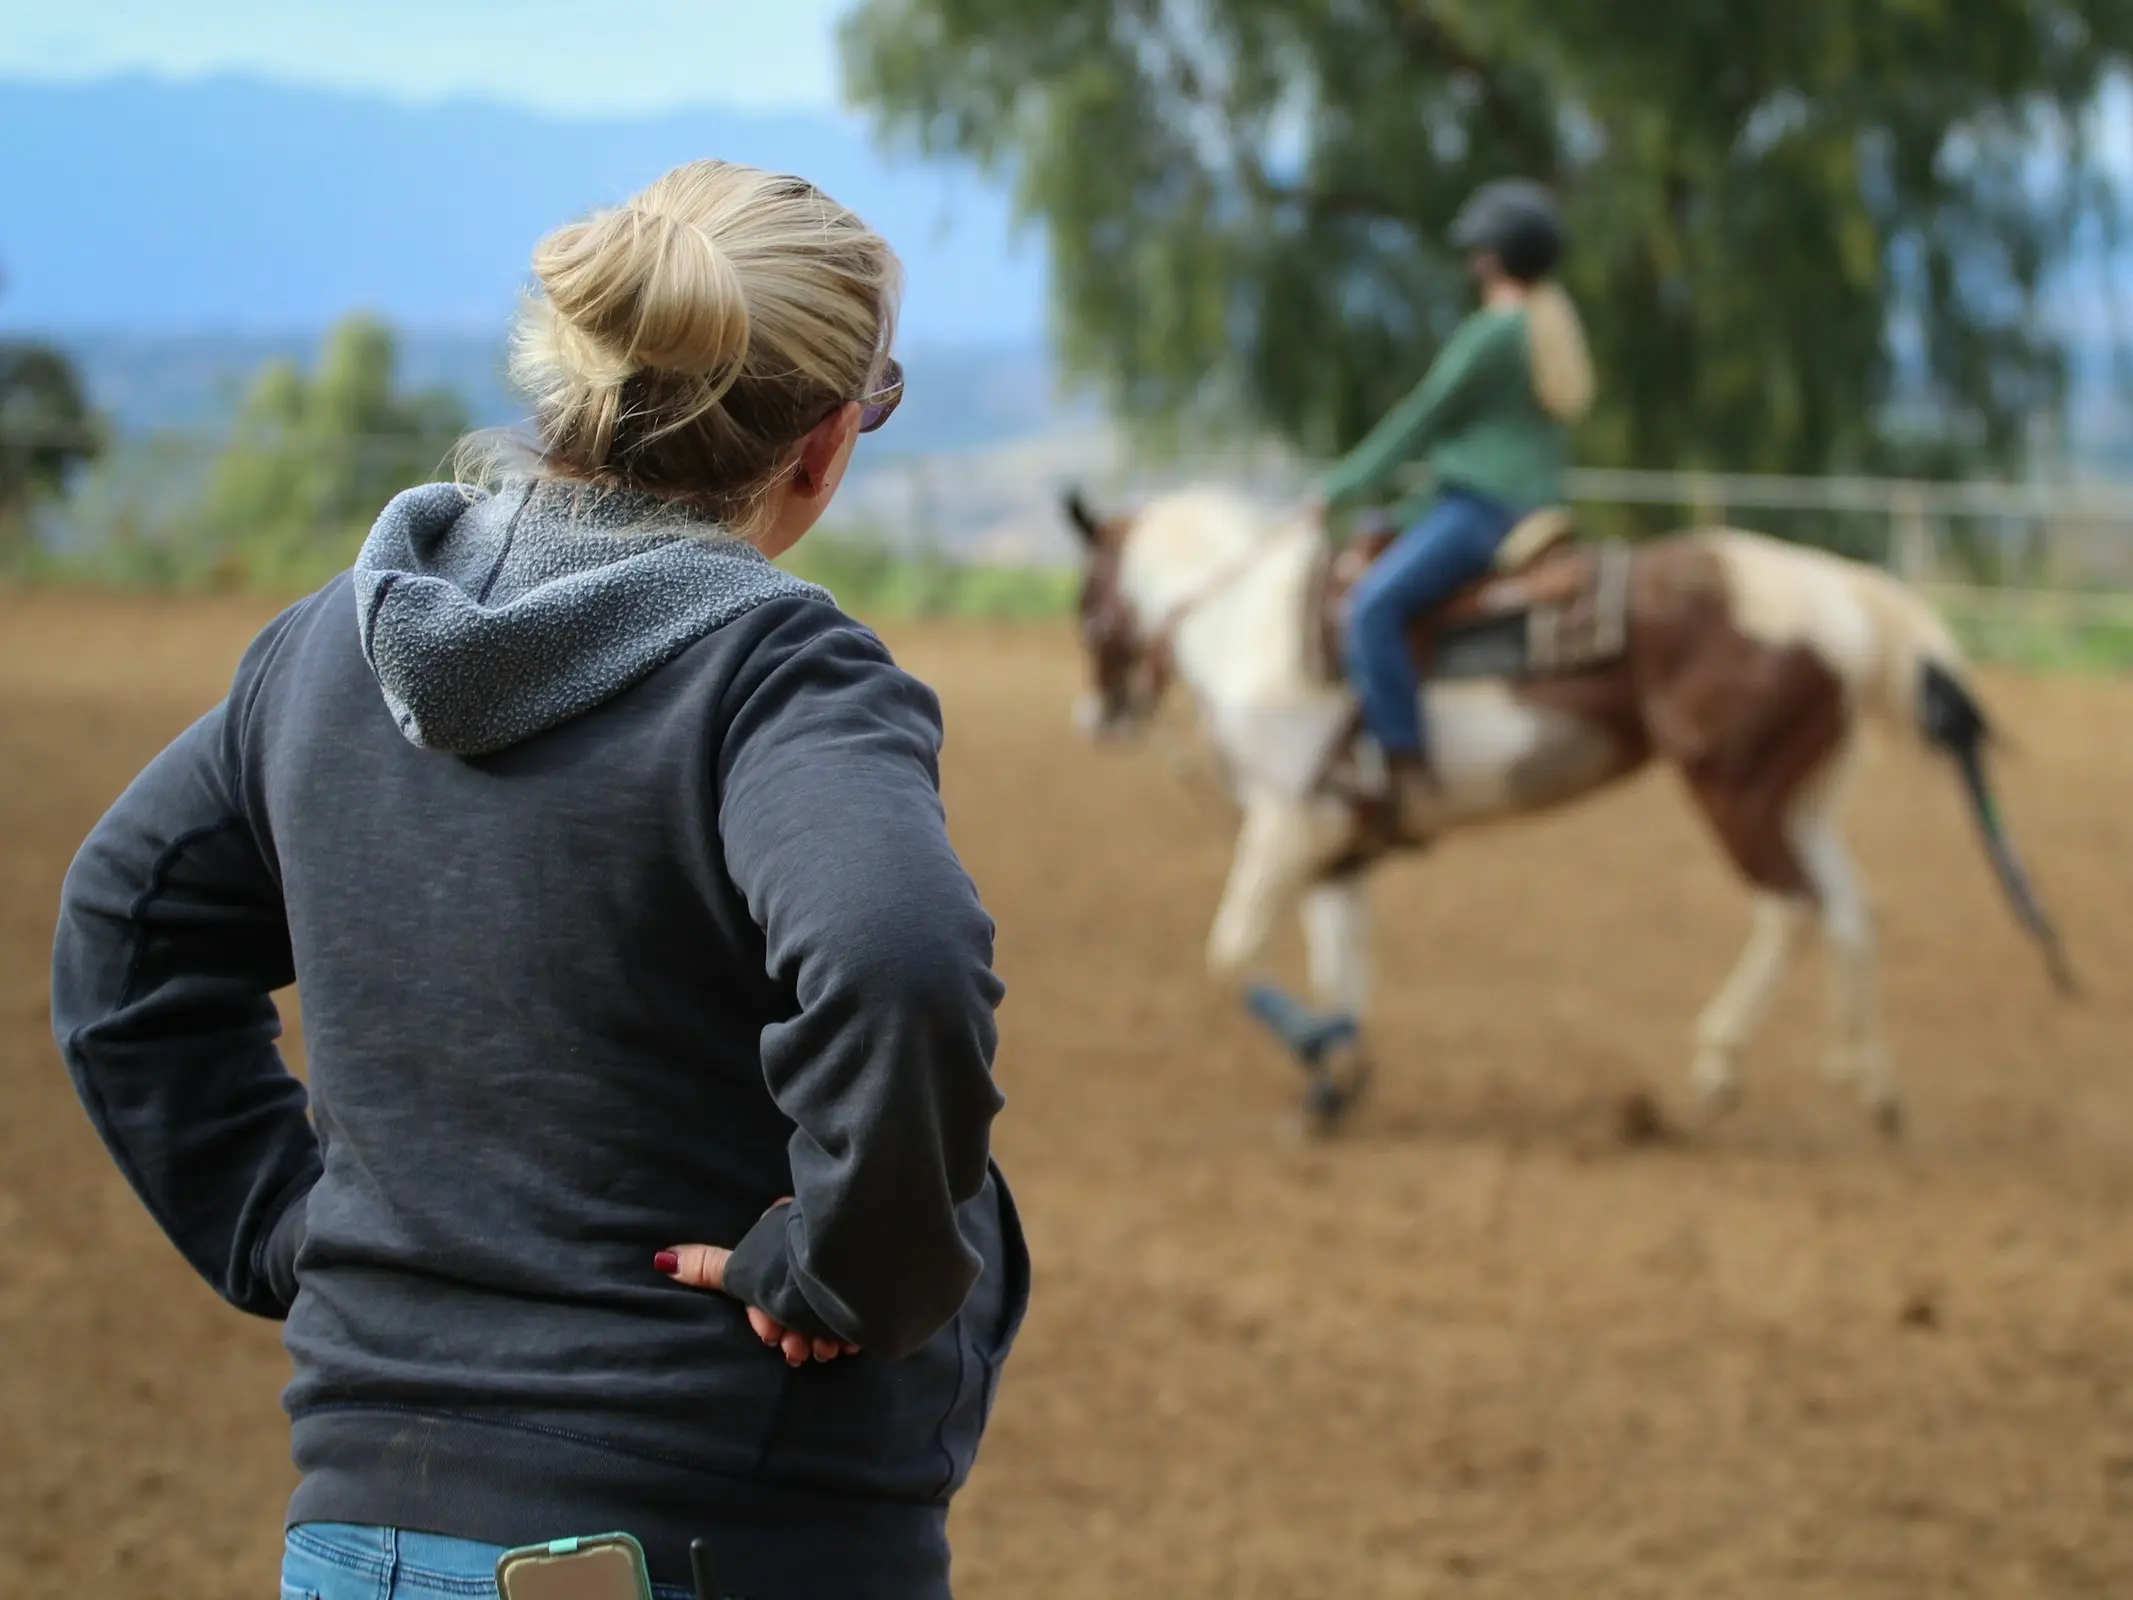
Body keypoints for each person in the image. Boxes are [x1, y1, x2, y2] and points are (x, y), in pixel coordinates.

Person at [50, 159, 1025, 1600]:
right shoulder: (775, 682)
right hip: (720, 1530)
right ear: (822, 443)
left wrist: (282, 1218)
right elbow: (896, 956)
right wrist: (853, 1270)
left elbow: (122, 934)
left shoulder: (327, 653)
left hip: (355, 1538)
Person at [1312, 178, 1595, 836]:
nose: (1471, 262)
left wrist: (1338, 486)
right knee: (1380, 540)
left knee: (1373, 605)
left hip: (1483, 507)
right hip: (1515, 499)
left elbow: (1420, 419)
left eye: (1476, 251)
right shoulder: (1548, 328)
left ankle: (1399, 760)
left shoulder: (1492, 333)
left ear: (1492, 258)